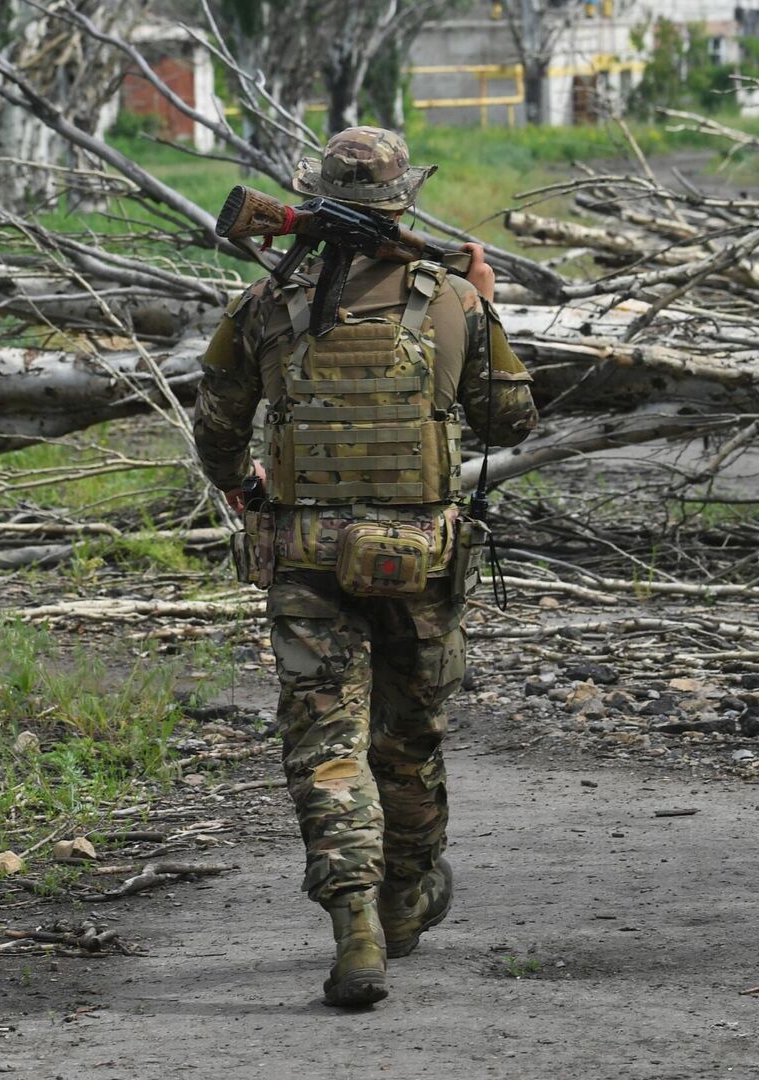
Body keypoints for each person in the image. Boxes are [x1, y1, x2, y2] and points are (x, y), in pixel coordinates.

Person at [191, 126, 539, 1007]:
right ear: (397, 200)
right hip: (419, 562)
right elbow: (508, 424)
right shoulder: (451, 298)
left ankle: (356, 932)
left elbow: (217, 433)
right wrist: (486, 305)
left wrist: (244, 486)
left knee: (325, 750)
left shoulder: (267, 302)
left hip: (306, 564)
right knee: (409, 741)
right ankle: (406, 901)